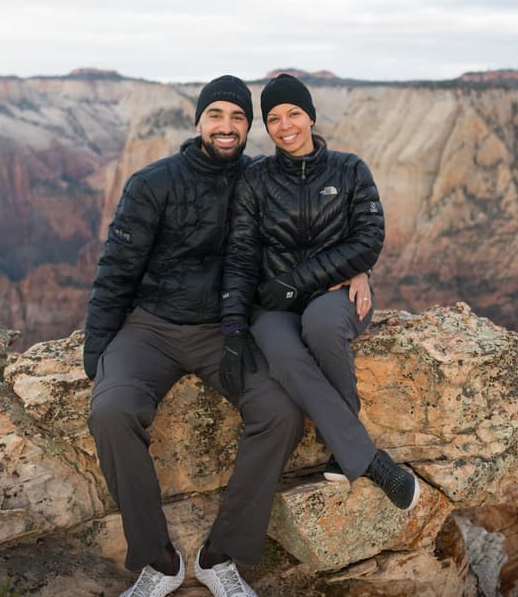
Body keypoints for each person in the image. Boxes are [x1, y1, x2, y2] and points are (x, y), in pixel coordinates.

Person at [85, 75, 304, 597]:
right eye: (216, 115)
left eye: (237, 118)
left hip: (227, 331)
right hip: (151, 328)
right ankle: (158, 560)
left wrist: (359, 271)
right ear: (199, 120)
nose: (226, 127)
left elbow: (316, 234)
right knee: (111, 412)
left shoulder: (263, 180)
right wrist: (97, 351)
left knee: (280, 414)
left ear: (249, 127)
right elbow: (116, 269)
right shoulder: (153, 183)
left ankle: (219, 554)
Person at [220, 73, 420, 512]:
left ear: (310, 116)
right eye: (273, 118)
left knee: (322, 324)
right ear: (266, 128)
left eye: (293, 113)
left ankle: (347, 449)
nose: (285, 125)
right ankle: (365, 458)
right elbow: (239, 255)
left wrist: (315, 277)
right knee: (285, 355)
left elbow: (368, 239)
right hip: (271, 304)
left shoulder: (350, 169)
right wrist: (234, 323)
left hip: (332, 295)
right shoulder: (256, 180)